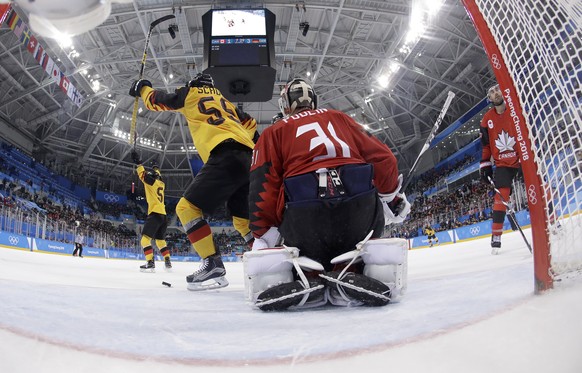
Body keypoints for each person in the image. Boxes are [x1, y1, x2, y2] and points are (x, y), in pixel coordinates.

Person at [244, 78, 411, 311]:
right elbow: (385, 159)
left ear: (285, 105)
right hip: (359, 216)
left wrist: (264, 236)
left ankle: (308, 274)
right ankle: (358, 270)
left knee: (291, 239)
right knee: (363, 234)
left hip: (306, 222)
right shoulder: (340, 118)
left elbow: (262, 187)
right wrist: (392, 198)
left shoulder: (273, 132)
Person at [129, 73, 258, 290]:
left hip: (223, 152)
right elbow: (251, 123)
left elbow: (156, 101)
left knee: (186, 208)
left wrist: (142, 87)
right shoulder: (225, 102)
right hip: (250, 157)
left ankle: (212, 263)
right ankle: (264, 260)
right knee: (242, 221)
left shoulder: (190, 92)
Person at [479, 84, 521, 255]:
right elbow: (486, 146)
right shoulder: (485, 120)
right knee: (500, 198)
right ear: (489, 99)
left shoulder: (516, 108)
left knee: (539, 187)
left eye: (497, 89)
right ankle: (496, 237)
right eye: (491, 92)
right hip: (503, 164)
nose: (495, 93)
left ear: (503, 92)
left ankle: (553, 223)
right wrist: (485, 165)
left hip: (523, 157)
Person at [130, 154, 171, 272]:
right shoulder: (161, 183)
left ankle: (150, 262)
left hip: (155, 213)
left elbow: (142, 175)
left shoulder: (151, 183)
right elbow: (158, 175)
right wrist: (155, 167)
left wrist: (139, 163)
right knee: (160, 240)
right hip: (164, 215)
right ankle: (167, 261)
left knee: (145, 240)